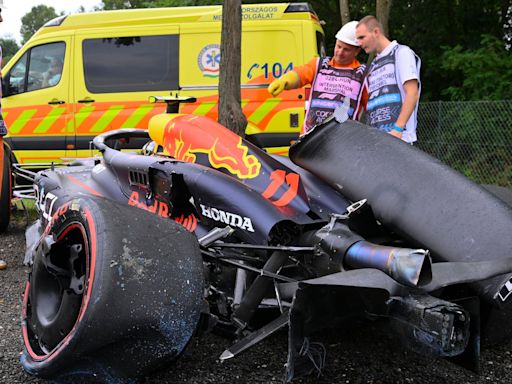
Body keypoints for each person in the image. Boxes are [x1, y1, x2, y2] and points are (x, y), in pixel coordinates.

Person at [267, 21, 367, 134]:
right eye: (338, 46)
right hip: (311, 138)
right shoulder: (319, 65)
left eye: (346, 49)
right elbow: (301, 73)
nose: (339, 52)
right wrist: (285, 81)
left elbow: (373, 106)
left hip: (343, 142)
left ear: (357, 51)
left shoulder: (362, 75)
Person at [355, 16, 421, 144]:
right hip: (379, 141)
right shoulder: (374, 65)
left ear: (376, 32)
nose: (359, 43)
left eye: (362, 37)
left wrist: (398, 129)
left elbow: (412, 93)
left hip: (400, 139)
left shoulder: (401, 53)